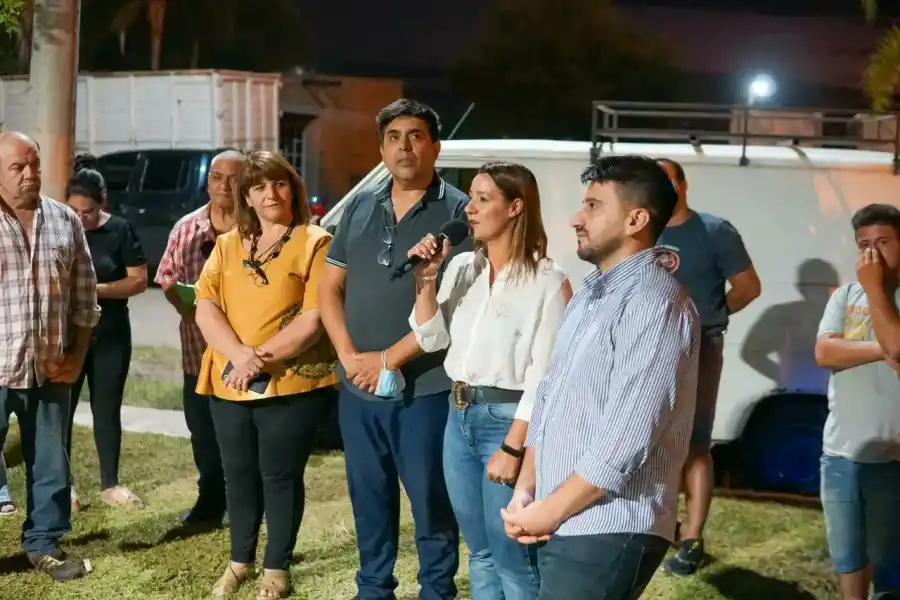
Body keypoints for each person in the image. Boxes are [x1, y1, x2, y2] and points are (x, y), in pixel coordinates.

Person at [501, 155, 700, 600]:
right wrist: (527, 490)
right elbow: (550, 399)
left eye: (592, 206)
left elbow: (627, 437)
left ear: (635, 219)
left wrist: (550, 510)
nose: (576, 218)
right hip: (562, 515)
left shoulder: (656, 302)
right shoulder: (590, 293)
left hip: (611, 524)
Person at [319, 98, 470, 600]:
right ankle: (374, 588)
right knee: (368, 497)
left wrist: (387, 359)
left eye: (416, 136)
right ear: (381, 147)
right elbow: (329, 287)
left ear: (435, 146)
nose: (404, 147)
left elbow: (454, 307)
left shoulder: (461, 213)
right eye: (394, 137)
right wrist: (348, 356)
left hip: (426, 388)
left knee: (430, 500)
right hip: (358, 389)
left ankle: (436, 590)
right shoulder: (363, 203)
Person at [406, 162, 571, 600]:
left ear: (515, 207)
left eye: (483, 199)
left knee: (512, 556)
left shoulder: (547, 282)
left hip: (506, 421)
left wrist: (514, 446)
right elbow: (432, 336)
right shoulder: (464, 268)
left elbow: (546, 376)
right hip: (457, 415)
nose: (470, 210)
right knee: (478, 550)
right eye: (470, 198)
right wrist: (425, 280)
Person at [194, 150, 338, 599]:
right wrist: (238, 356)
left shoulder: (316, 241)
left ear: (292, 189)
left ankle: (276, 567)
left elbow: (314, 317)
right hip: (228, 377)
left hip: (291, 381)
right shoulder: (228, 243)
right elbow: (205, 305)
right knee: (236, 473)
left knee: (279, 475)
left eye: (278, 184)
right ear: (248, 198)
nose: (270, 193)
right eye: (258, 187)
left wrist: (257, 359)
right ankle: (240, 561)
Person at [0, 131, 101, 581]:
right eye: (17, 168)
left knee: (50, 462)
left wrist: (77, 354)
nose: (29, 175)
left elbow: (85, 299)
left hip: (51, 366)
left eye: (34, 165)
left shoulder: (65, 221)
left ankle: (43, 545)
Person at [655, 157, 760, 577]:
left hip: (699, 348)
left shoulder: (715, 230)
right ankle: (662, 526)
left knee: (695, 442)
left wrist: (707, 319)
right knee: (655, 439)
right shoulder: (642, 228)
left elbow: (748, 287)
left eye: (666, 180)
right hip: (649, 350)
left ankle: (693, 537)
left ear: (683, 185)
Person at [814, 203, 900, 600]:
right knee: (847, 554)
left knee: (890, 563)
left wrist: (876, 289)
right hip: (841, 451)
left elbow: (896, 342)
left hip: (893, 455)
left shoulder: (870, 291)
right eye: (864, 244)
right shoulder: (846, 296)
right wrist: (883, 350)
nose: (872, 253)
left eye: (883, 242)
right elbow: (825, 353)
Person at [155, 149, 244, 528]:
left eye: (233, 178)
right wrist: (187, 308)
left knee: (243, 439)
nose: (223, 185)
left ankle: (246, 506)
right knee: (203, 435)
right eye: (216, 177)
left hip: (244, 354)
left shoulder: (257, 228)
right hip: (198, 352)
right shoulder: (186, 228)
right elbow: (166, 277)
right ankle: (210, 504)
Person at [65, 164, 148, 510]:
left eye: (88, 212)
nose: (81, 219)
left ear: (103, 205)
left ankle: (109, 483)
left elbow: (138, 280)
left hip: (110, 334)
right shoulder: (60, 229)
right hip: (68, 334)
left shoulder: (119, 230)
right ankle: (63, 486)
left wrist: (93, 289)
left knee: (106, 409)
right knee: (61, 410)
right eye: (74, 211)